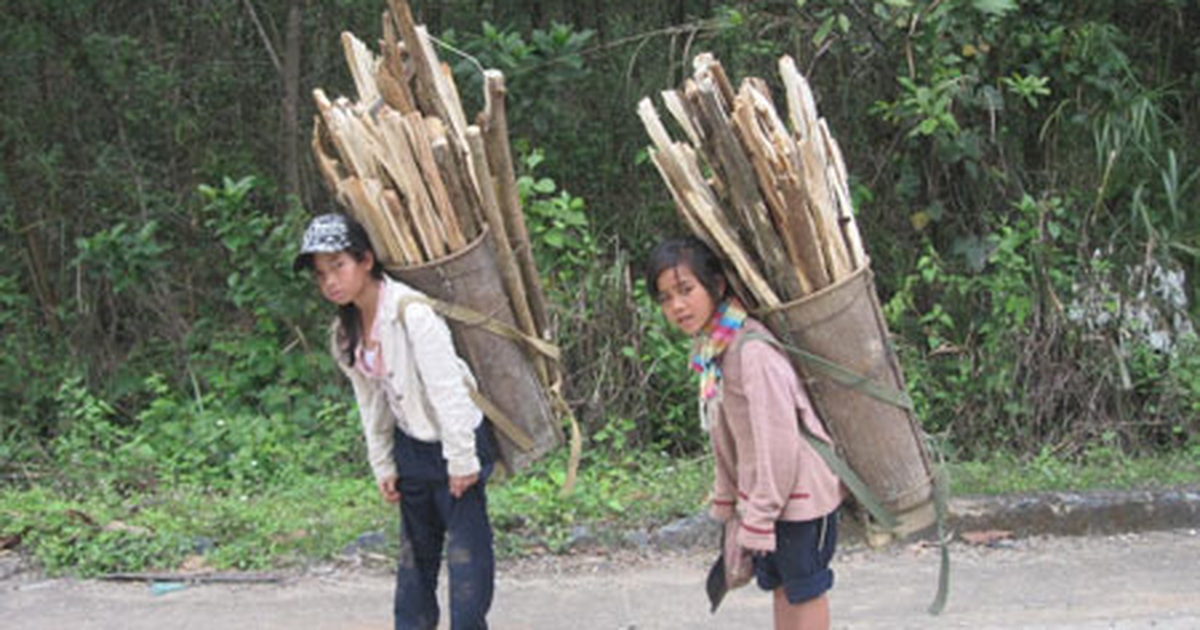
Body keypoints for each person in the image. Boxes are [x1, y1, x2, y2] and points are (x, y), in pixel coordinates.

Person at [294, 212, 496, 630]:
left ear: (365, 260)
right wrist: (383, 463)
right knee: (414, 565)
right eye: (321, 274)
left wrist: (461, 460)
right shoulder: (345, 332)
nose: (330, 281)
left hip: (455, 441)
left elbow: (448, 390)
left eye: (339, 266)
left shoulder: (411, 314)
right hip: (412, 448)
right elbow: (372, 402)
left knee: (467, 562)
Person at [646, 236, 844, 629]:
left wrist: (760, 514)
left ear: (717, 286)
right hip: (769, 498)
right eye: (665, 298)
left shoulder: (751, 353)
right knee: (781, 585)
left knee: (804, 588)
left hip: (800, 498)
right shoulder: (715, 350)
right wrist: (731, 504)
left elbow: (778, 445)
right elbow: (727, 439)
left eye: (686, 290)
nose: (677, 306)